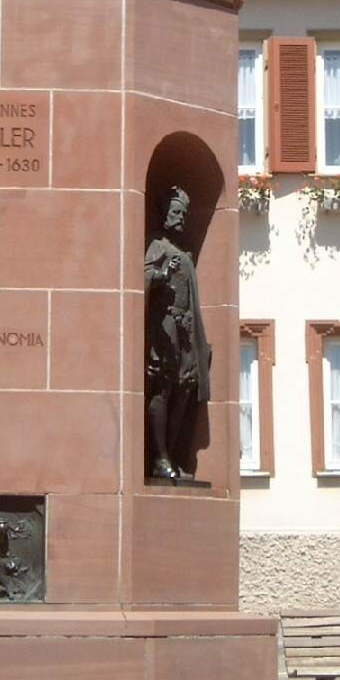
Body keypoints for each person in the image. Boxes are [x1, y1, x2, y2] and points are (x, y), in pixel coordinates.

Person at [144, 187, 211, 480]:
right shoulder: (157, 246)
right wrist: (162, 275)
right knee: (164, 387)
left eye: (183, 214)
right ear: (164, 215)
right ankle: (160, 458)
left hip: (186, 330)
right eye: (175, 213)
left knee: (185, 389)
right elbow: (143, 280)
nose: (181, 218)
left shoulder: (184, 253)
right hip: (166, 328)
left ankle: (170, 454)